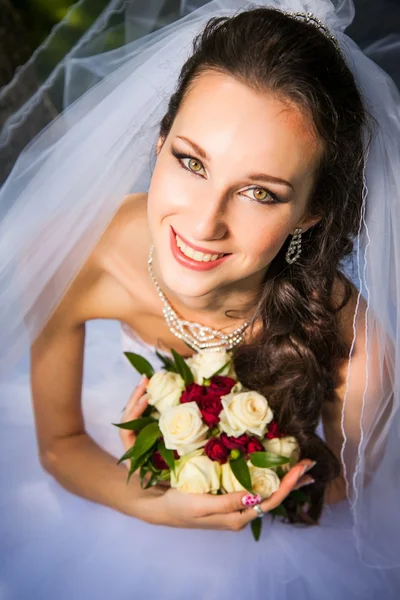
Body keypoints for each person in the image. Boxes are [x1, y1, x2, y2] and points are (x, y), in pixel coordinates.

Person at [0, 1, 399, 598]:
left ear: (309, 213)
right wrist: (155, 498)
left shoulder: (360, 349)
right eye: (191, 162)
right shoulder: (67, 257)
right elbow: (59, 446)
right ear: (159, 144)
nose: (204, 223)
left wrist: (229, 481)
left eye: (260, 193)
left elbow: (340, 493)